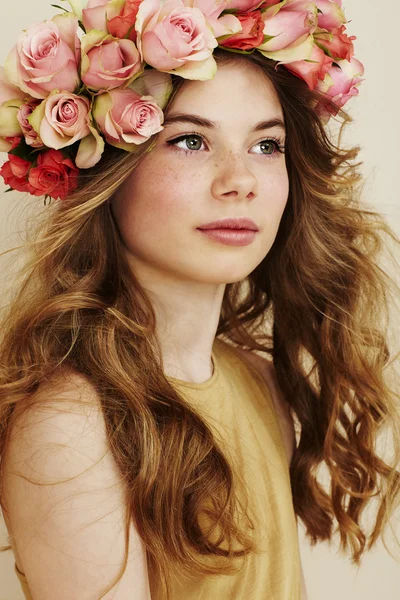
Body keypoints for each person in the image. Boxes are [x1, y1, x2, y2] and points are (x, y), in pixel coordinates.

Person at [0, 1, 399, 599]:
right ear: (108, 174)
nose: (240, 179)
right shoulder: (74, 428)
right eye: (189, 140)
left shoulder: (260, 382)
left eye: (267, 146)